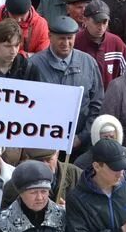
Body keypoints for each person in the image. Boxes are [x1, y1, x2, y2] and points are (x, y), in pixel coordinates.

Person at [27, 16, 105, 153]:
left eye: (70, 38)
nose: (66, 43)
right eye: (61, 38)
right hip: (45, 145)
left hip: (81, 144)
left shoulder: (88, 63)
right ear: (50, 36)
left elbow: (97, 104)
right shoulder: (34, 64)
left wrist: (82, 137)